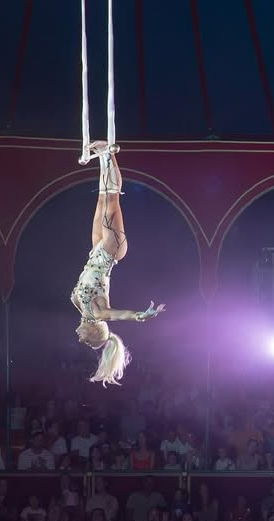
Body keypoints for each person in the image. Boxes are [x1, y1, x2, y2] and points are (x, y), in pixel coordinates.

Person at [71, 143, 165, 385]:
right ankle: (110, 154)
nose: (77, 335)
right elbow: (121, 315)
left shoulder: (83, 310)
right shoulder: (100, 313)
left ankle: (103, 158)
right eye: (83, 338)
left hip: (95, 253)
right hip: (111, 253)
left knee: (101, 200)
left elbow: (79, 294)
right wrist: (142, 315)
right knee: (112, 201)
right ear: (92, 333)